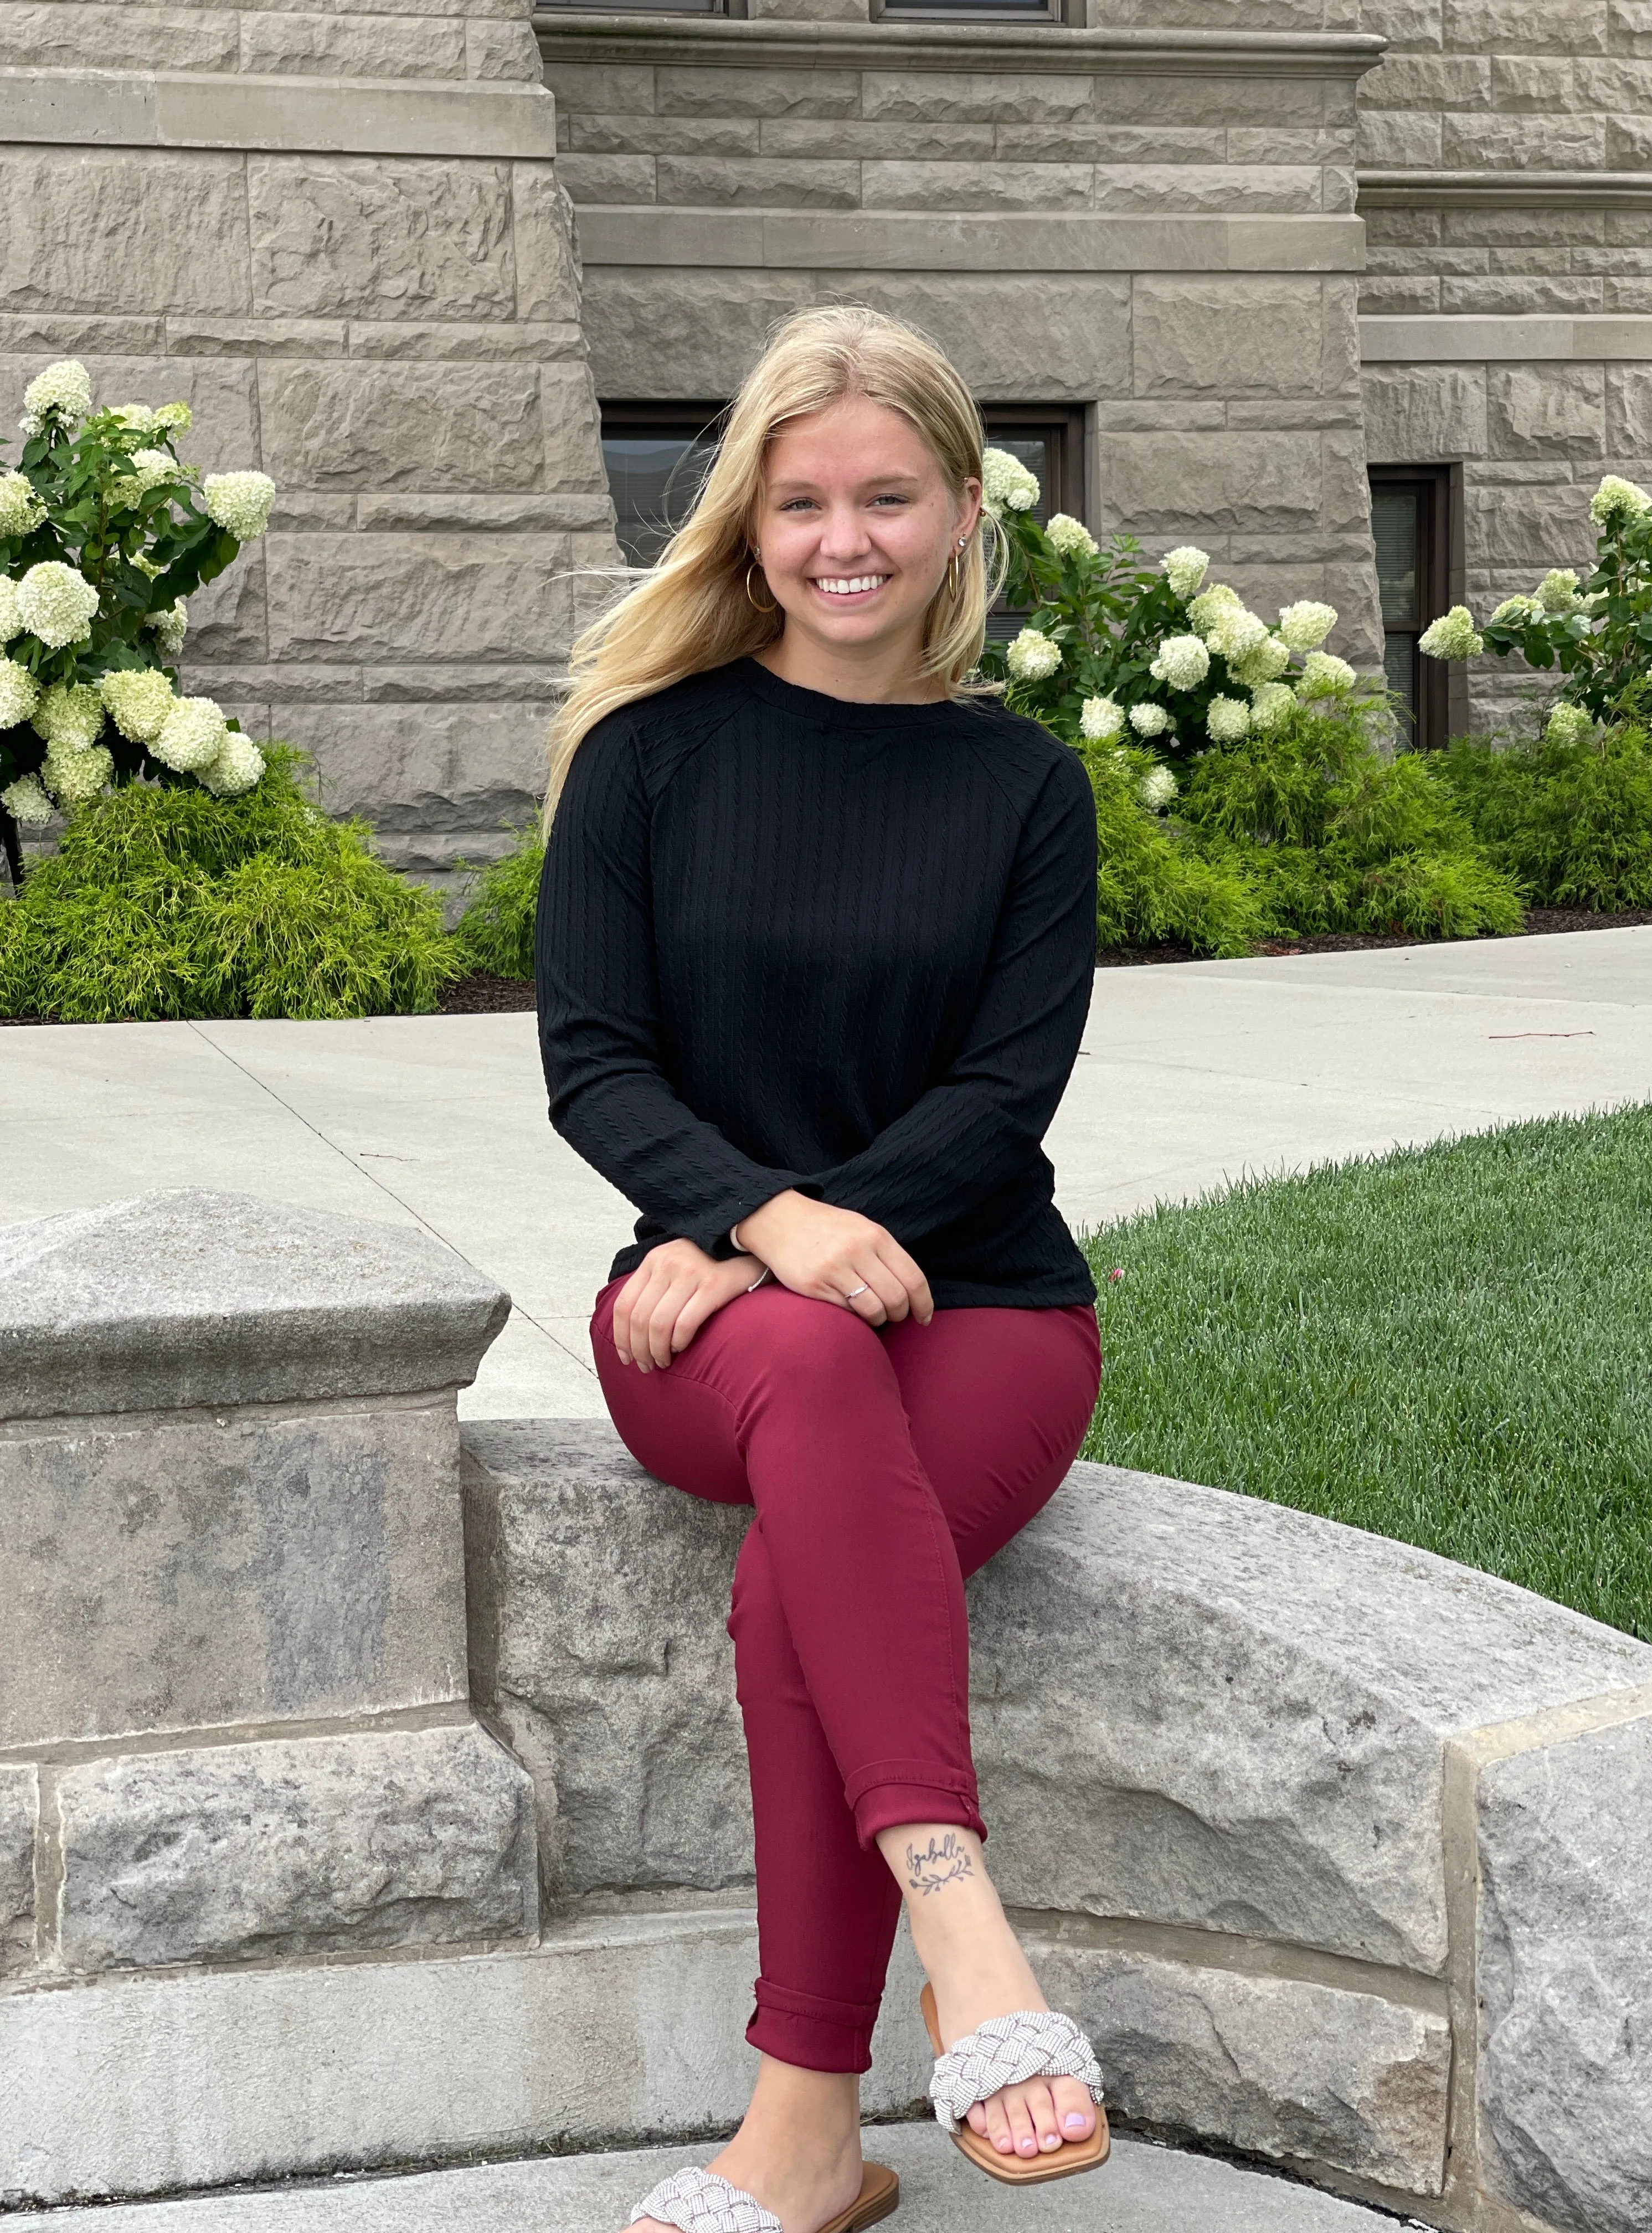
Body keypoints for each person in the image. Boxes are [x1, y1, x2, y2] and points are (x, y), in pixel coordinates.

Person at [535, 305, 1108, 2233]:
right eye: (800, 502)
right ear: (747, 523)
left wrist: (791, 1232)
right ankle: (967, 1925)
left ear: (961, 512)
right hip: (703, 1327)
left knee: (807, 1581)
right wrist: (744, 1227)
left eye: (886, 496)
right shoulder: (648, 760)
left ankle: (802, 2146)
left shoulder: (1023, 787)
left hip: (991, 1312)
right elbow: (593, 1060)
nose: (841, 538)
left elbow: (1000, 1102)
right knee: (803, 1367)